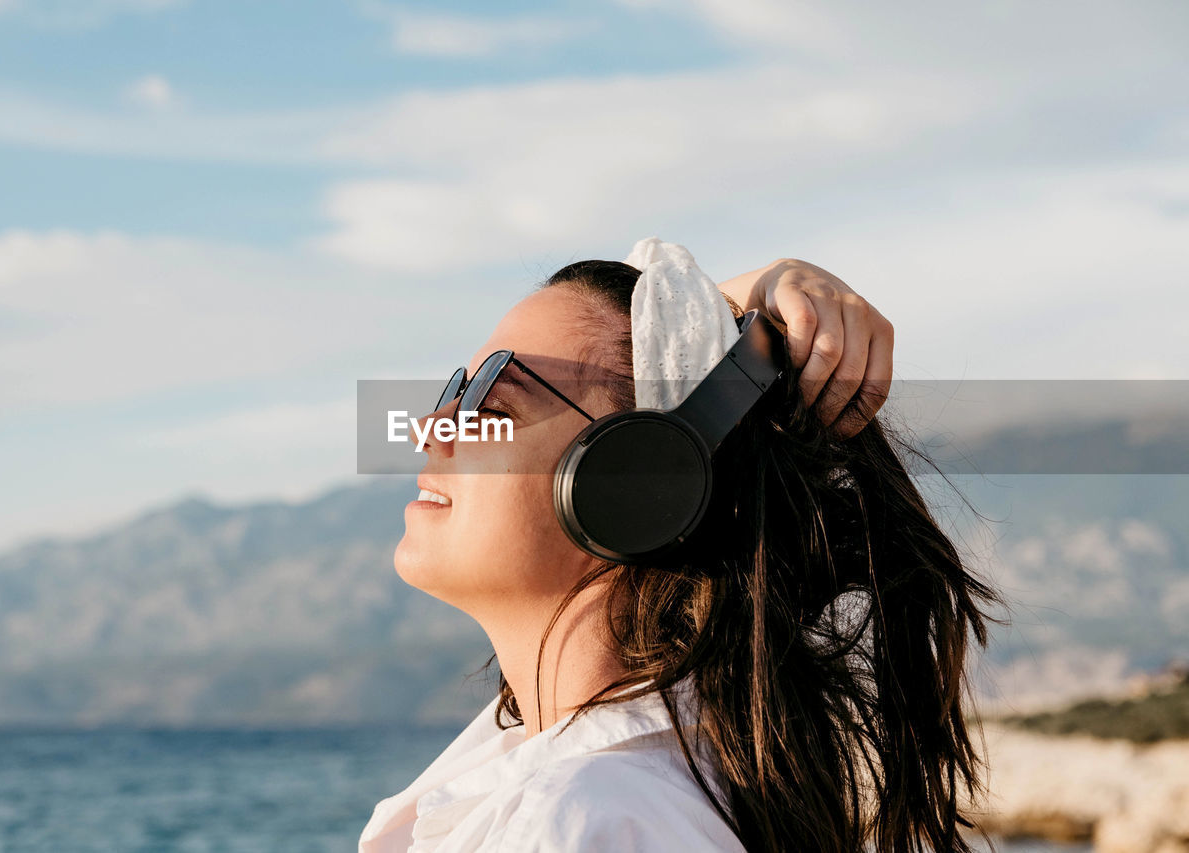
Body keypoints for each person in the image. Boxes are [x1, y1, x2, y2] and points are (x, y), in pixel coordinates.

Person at [359, 240, 1000, 852]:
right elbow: (660, 365)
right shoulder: (629, 788)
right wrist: (763, 294)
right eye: (452, 393)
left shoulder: (577, 821)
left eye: (492, 406)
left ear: (637, 479)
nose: (432, 428)